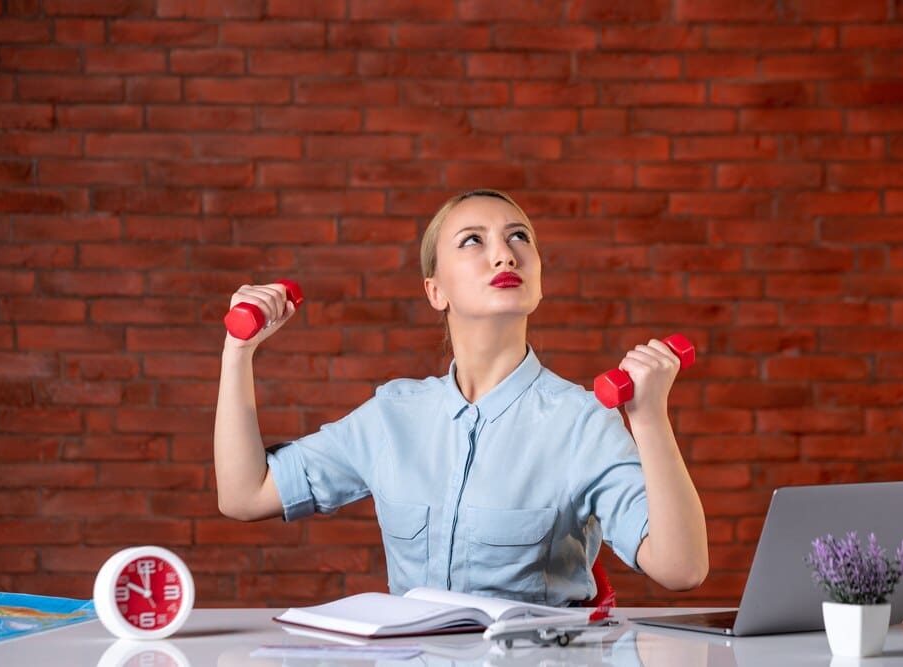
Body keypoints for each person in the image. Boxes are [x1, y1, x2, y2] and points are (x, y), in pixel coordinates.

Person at [214, 189, 708, 606]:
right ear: (435, 291)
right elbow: (245, 495)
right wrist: (239, 352)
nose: (505, 254)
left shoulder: (581, 422)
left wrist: (648, 420)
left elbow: (680, 568)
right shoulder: (392, 416)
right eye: (473, 240)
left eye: (519, 237)